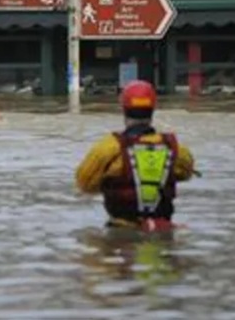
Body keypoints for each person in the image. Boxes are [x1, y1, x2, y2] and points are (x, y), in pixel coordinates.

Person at [75, 80, 196, 232]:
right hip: (163, 230)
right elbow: (186, 173)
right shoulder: (175, 149)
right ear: (153, 109)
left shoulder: (109, 147)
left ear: (124, 109)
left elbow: (84, 183)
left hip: (120, 231)